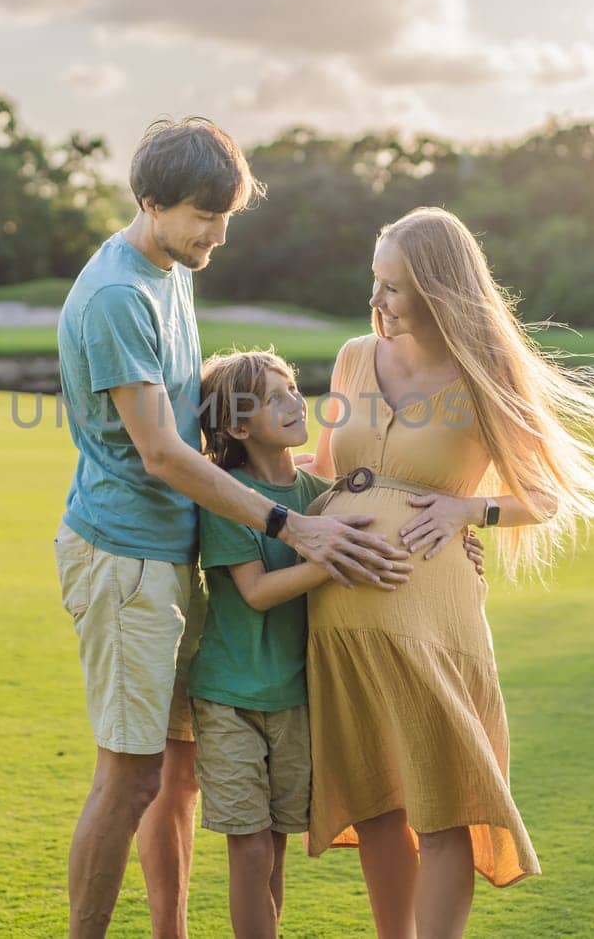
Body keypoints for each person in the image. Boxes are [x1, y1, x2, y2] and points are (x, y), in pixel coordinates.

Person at [53, 117, 416, 939]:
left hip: (170, 557)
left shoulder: (170, 269)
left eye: (226, 216)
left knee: (171, 772)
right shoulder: (117, 295)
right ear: (149, 202)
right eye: (201, 216)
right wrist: (290, 523)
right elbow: (161, 452)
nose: (217, 234)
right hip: (124, 557)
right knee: (131, 775)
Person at [304, 207, 594, 939]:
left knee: (444, 810)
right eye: (374, 281)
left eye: (394, 288)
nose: (376, 301)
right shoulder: (352, 357)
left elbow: (542, 495)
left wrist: (468, 511)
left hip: (434, 627)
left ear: (438, 289)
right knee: (376, 806)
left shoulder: (485, 373)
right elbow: (321, 470)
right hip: (339, 625)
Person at [186, 349, 493, 939]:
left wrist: (461, 541)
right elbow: (255, 592)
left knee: (273, 850)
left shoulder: (317, 492)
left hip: (297, 697)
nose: (294, 401)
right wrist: (333, 560)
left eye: (292, 388)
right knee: (250, 852)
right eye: (271, 398)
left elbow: (369, 508)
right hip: (232, 695)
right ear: (236, 426)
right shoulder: (231, 497)